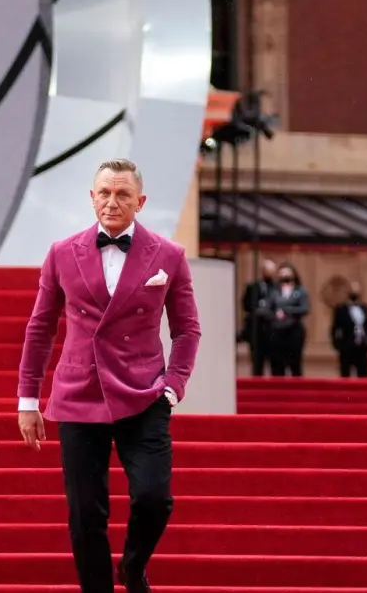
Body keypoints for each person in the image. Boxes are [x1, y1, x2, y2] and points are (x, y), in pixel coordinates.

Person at [16, 158, 202, 593]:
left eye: (122, 195)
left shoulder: (168, 255)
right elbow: (40, 327)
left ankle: (133, 567)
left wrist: (174, 385)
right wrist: (28, 400)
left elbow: (187, 328)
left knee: (155, 498)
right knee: (85, 514)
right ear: (92, 197)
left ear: (140, 202)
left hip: (145, 393)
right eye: (104, 193)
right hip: (79, 392)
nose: (112, 202)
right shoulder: (62, 252)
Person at [265, 263, 309, 377]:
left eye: (287, 272)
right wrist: (275, 315)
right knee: (277, 365)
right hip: (277, 331)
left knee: (295, 364)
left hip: (294, 331)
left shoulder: (300, 291)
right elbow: (267, 308)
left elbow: (304, 308)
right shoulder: (274, 291)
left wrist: (286, 310)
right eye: (282, 273)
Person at [240, 260, 277, 376]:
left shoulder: (277, 288)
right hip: (256, 330)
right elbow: (245, 304)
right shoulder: (253, 287)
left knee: (275, 361)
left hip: (273, 330)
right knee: (257, 360)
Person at [329, 284, 367, 378]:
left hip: (362, 346)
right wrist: (337, 345)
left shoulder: (364, 308)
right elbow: (334, 328)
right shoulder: (341, 309)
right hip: (346, 346)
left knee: (363, 375)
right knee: (345, 374)